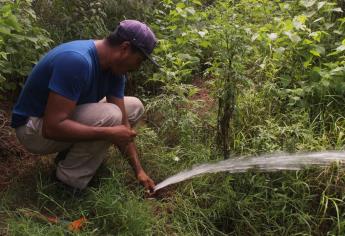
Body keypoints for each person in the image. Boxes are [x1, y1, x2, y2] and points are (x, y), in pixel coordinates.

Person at [10, 20, 158, 192]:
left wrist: (139, 171)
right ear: (125, 48)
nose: (138, 67)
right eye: (139, 60)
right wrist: (110, 133)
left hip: (57, 121)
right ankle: (67, 183)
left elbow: (124, 128)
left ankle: (67, 158)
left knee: (134, 106)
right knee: (111, 115)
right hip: (33, 129)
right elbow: (51, 128)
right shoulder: (77, 61)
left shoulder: (115, 71)